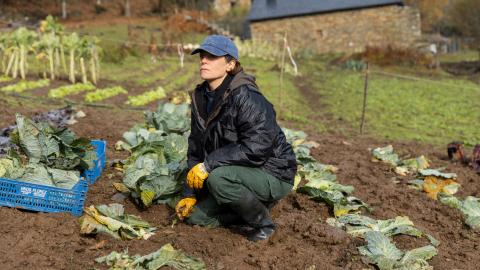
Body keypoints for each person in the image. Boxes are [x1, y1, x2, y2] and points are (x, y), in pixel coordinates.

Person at [175, 35, 297, 242]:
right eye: (202, 56)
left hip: (272, 171)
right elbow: (195, 148)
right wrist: (190, 193)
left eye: (212, 57)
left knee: (218, 178)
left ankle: (264, 224)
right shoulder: (200, 98)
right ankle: (245, 207)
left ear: (230, 64)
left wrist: (209, 165)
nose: (204, 60)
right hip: (235, 169)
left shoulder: (247, 96)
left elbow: (257, 147)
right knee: (194, 218)